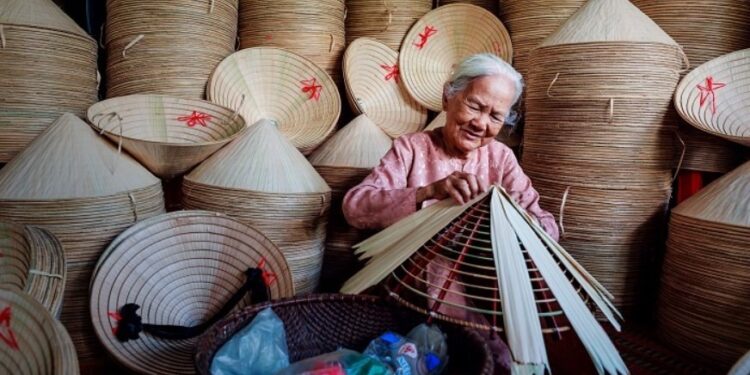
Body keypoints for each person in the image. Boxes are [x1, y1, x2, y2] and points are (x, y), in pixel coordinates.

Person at [342, 53, 560, 373]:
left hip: (481, 304)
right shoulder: (411, 149)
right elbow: (354, 207)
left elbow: (547, 226)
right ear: (448, 97)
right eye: (475, 105)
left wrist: (518, 221)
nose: (481, 123)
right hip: (405, 297)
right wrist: (427, 192)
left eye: (496, 116)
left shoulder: (501, 159)